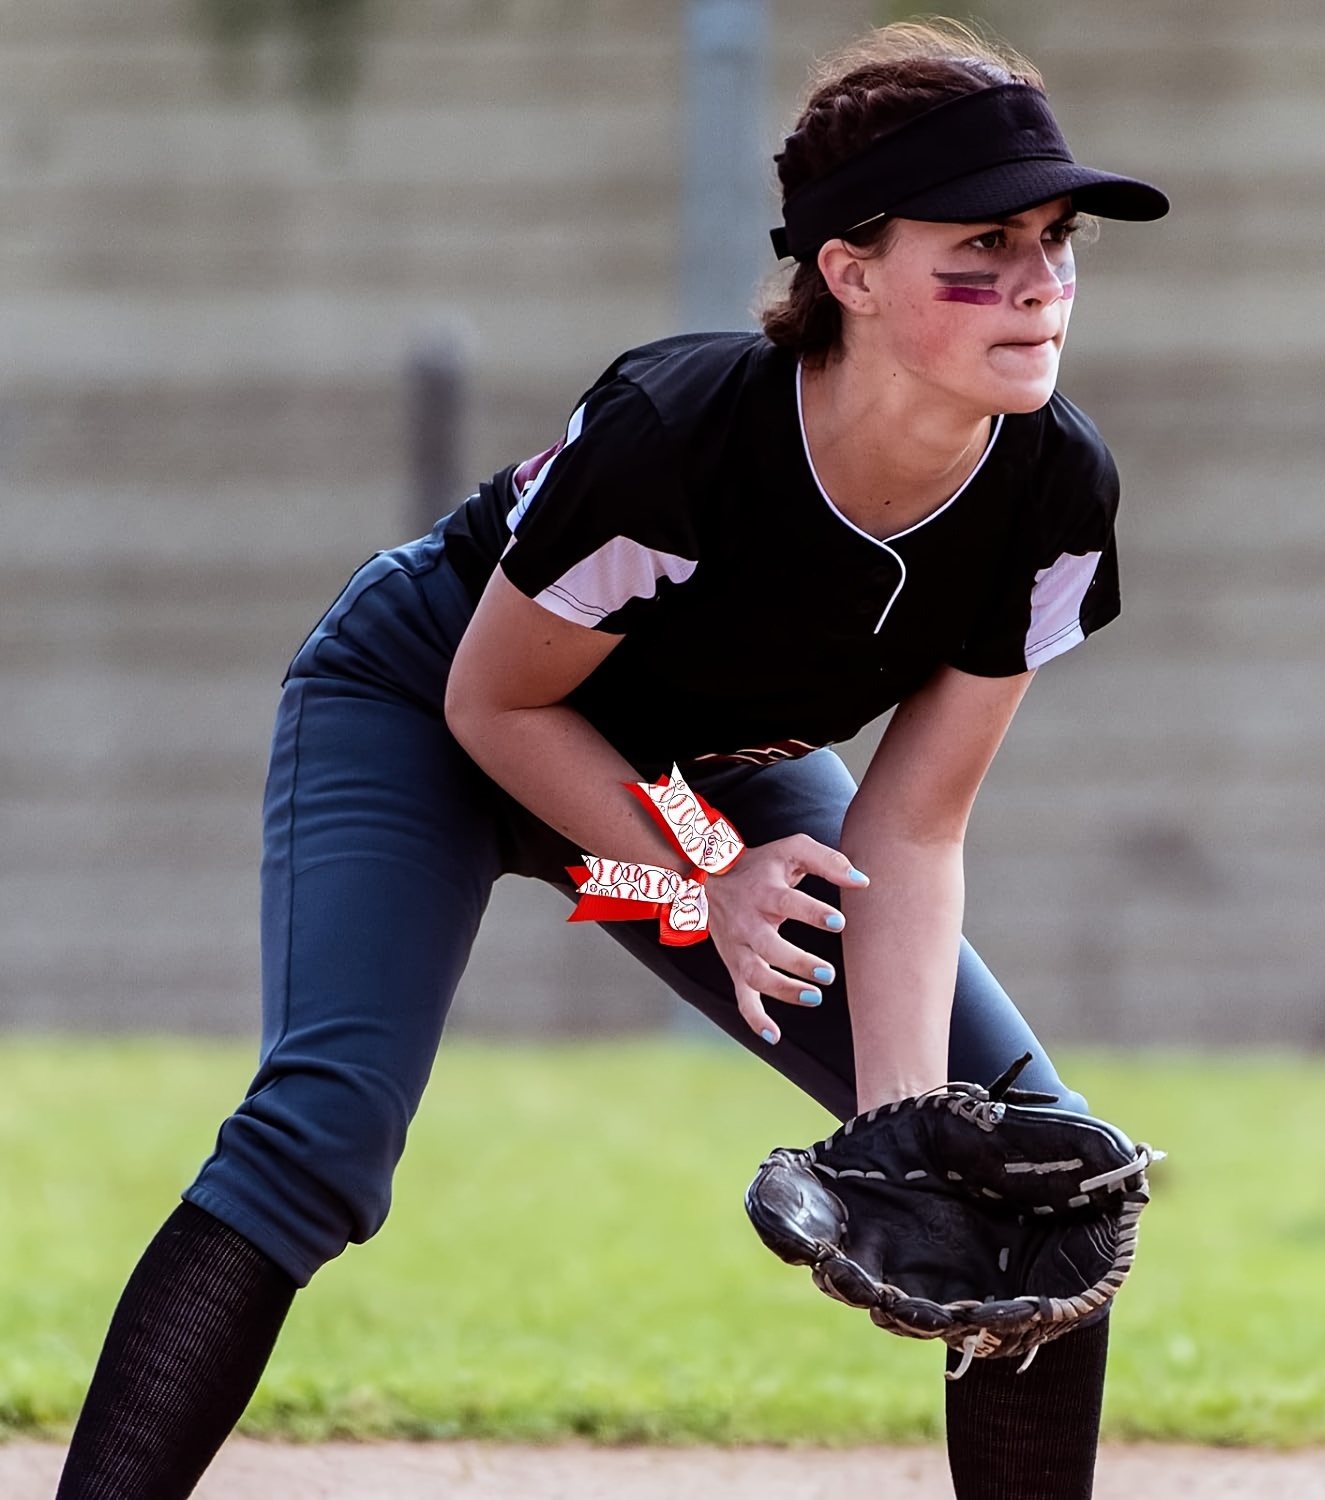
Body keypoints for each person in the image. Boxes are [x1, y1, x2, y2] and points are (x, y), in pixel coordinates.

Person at [55, 19, 1168, 1500]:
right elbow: (498, 709)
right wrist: (700, 878)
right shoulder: (683, 434)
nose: (1038, 282)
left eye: (1055, 238)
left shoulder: (1052, 490)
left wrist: (905, 1128)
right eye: (982, 243)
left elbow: (914, 826)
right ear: (848, 269)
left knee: (1018, 1169)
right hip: (432, 712)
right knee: (321, 1134)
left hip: (709, 772)